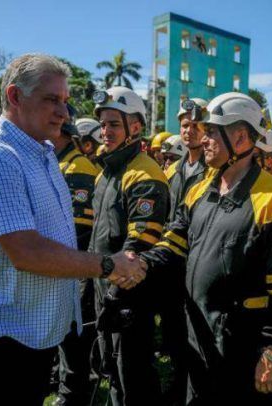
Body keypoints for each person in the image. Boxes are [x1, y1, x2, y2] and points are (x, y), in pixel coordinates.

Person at [0, 54, 144, 405]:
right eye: (51, 100)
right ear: (15, 96)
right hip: (3, 333)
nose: (64, 113)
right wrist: (109, 265)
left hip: (32, 327)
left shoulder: (42, 153)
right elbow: (26, 252)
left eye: (65, 102)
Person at [138, 92, 272, 405]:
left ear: (241, 137)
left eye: (212, 132)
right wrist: (140, 264)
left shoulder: (271, 197)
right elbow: (174, 242)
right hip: (198, 336)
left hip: (244, 347)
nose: (204, 140)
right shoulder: (200, 188)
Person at [90, 86, 170, 406]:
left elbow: (139, 242)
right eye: (103, 124)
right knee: (112, 371)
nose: (105, 131)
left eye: (113, 124)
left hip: (128, 297)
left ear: (135, 127)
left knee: (133, 375)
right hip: (103, 290)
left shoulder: (145, 172)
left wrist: (114, 295)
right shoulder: (106, 172)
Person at [51, 104, 101, 405]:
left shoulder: (78, 167)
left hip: (75, 264)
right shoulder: (57, 162)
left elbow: (79, 229)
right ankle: (61, 380)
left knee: (75, 334)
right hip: (61, 262)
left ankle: (73, 391)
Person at [161, 98, 208, 406]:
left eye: (195, 125)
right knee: (173, 331)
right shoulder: (173, 171)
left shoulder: (213, 171)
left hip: (197, 263)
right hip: (171, 262)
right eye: (185, 126)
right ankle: (178, 385)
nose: (189, 131)